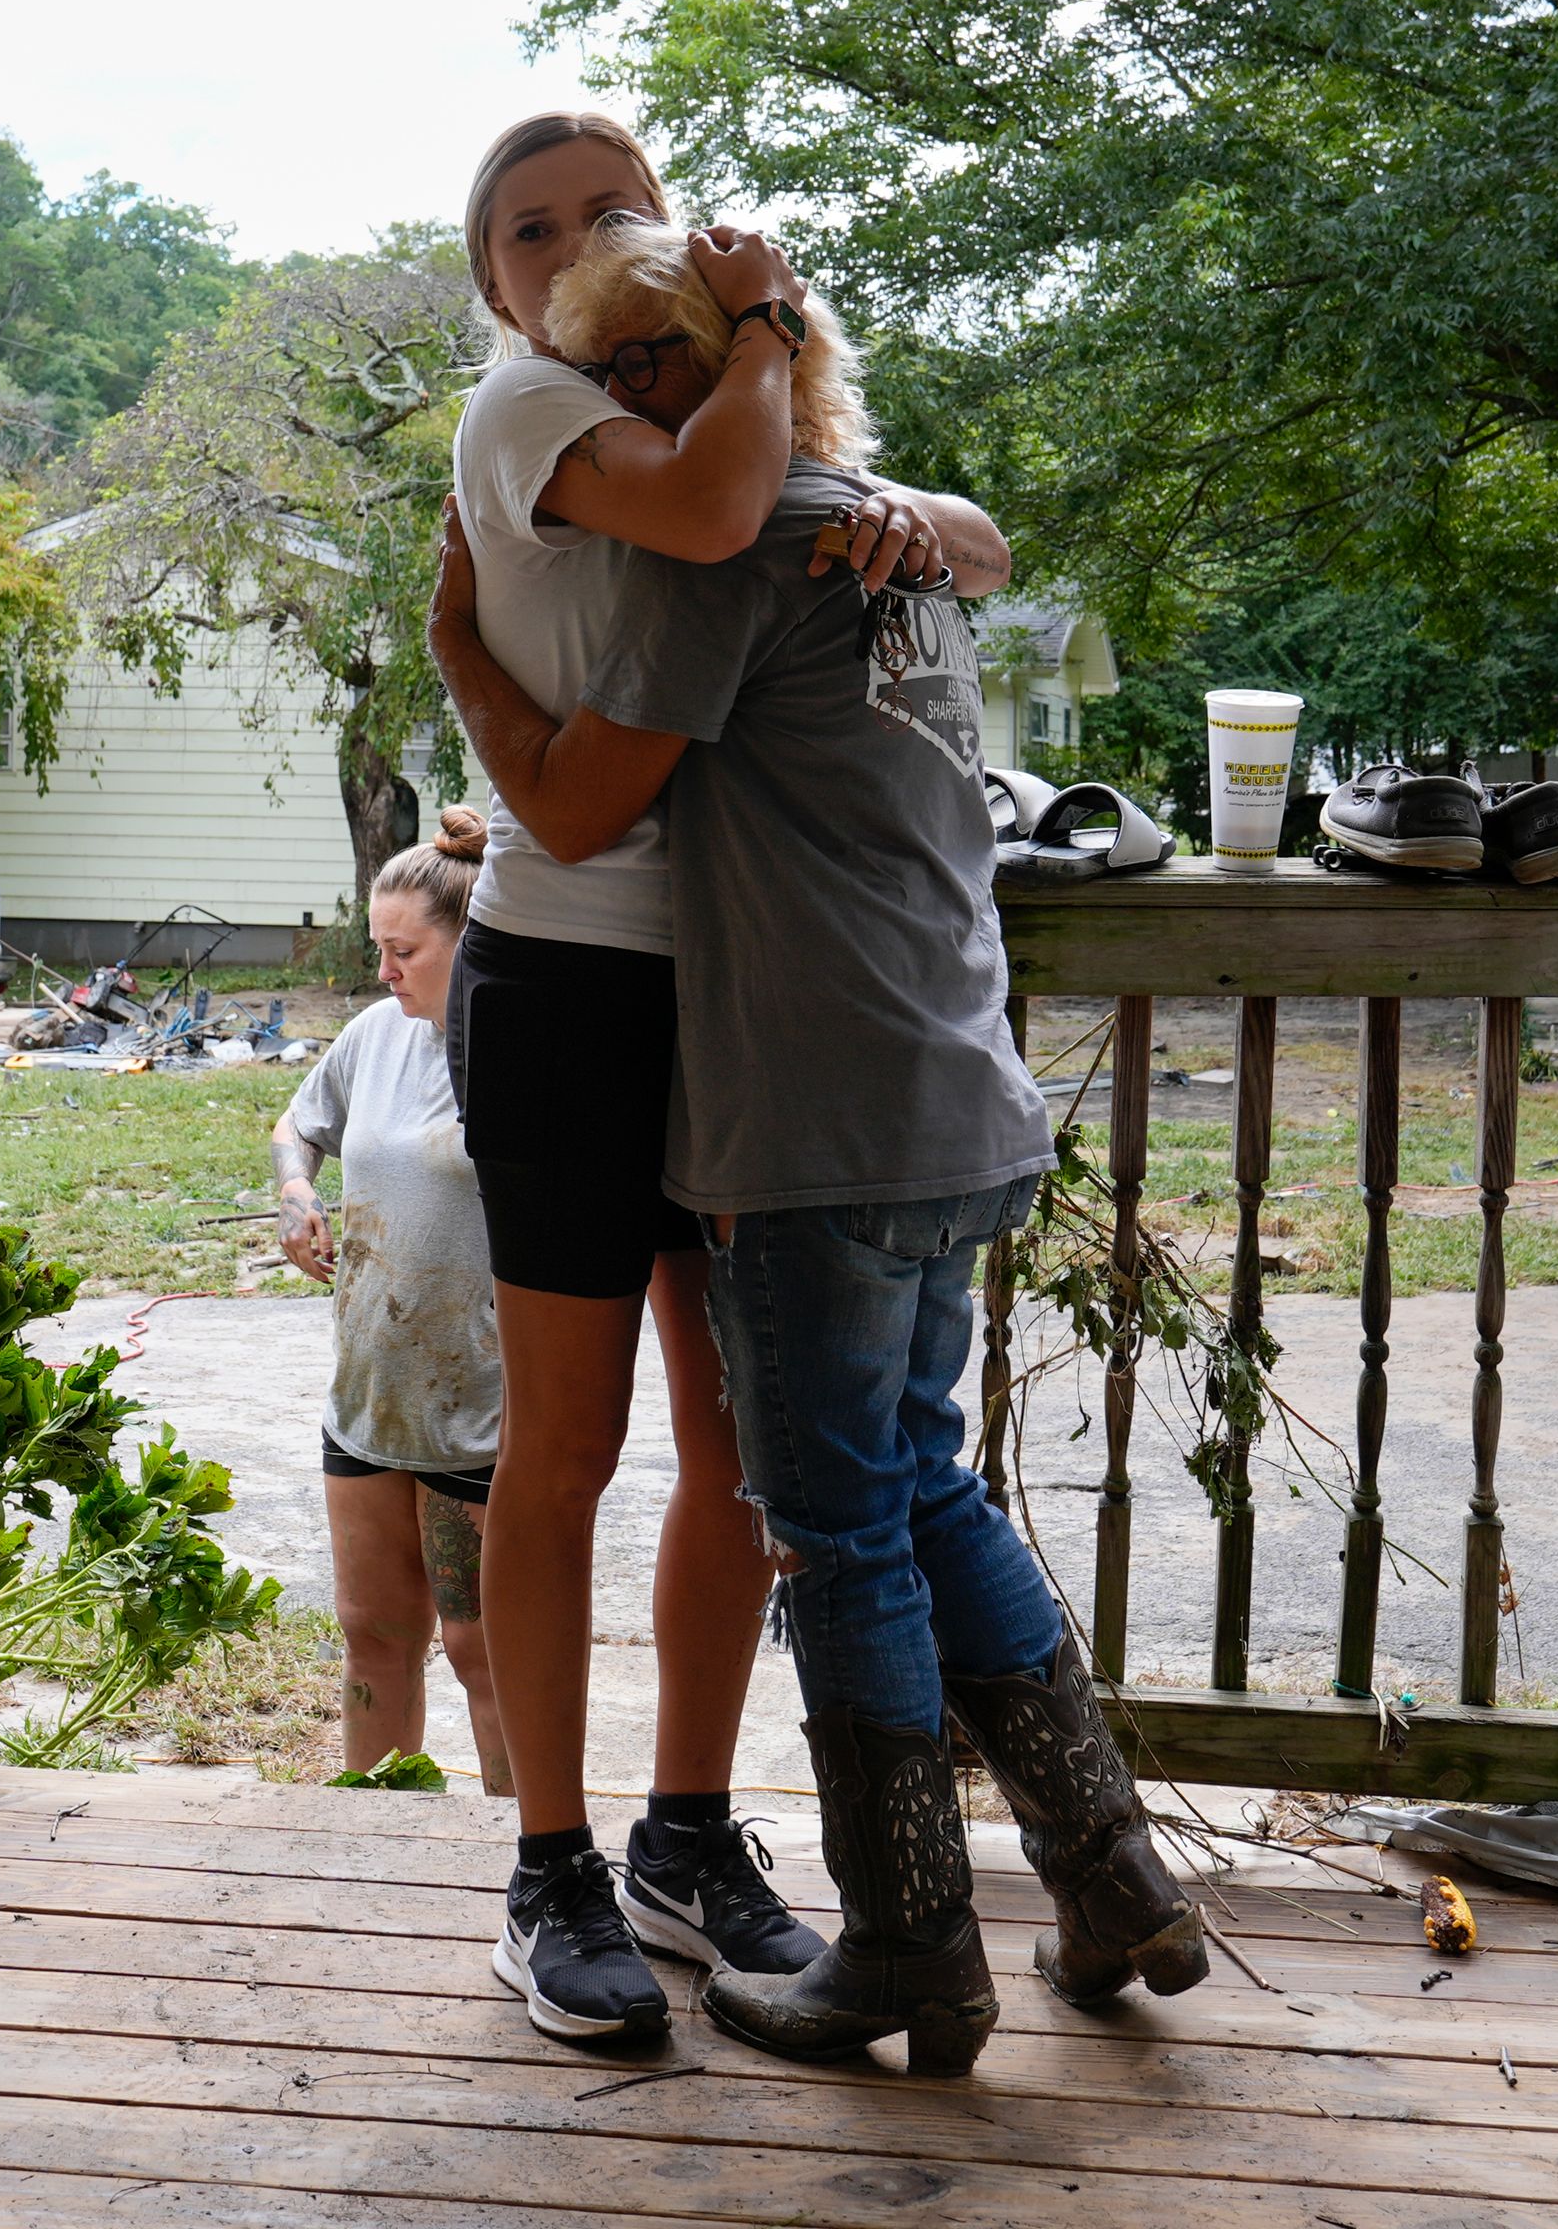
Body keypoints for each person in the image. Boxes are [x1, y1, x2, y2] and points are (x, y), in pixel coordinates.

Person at [430, 217, 1203, 2079]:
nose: (619, 411)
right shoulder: (900, 551)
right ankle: (1106, 1878)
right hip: (954, 1097)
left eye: (644, 368)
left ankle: (914, 1953)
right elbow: (971, 542)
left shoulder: (746, 548)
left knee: (839, 1527)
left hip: (811, 1117)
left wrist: (461, 645)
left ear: (728, 360)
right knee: (923, 1485)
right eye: (599, 376)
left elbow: (568, 794)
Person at [444, 112, 1012, 2043]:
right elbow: (701, 514)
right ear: (493, 284)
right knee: (568, 1445)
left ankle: (693, 1834)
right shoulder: (532, 409)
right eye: (528, 227)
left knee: (736, 1459)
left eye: (609, 206)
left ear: (668, 232)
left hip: (744, 1001)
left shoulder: (731, 410)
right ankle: (550, 1865)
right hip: (571, 988)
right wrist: (765, 338)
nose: (570, 239)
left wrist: (900, 513)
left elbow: (963, 532)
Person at [271, 811, 515, 1792]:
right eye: (379, 947)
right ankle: (376, 1833)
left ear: (473, 940)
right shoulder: (376, 1036)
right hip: (370, 1402)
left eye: (402, 949)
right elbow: (297, 1121)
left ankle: (529, 1858)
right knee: (374, 1636)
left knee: (480, 1649)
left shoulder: (518, 1055)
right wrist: (296, 1196)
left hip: (487, 1420)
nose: (383, 970)